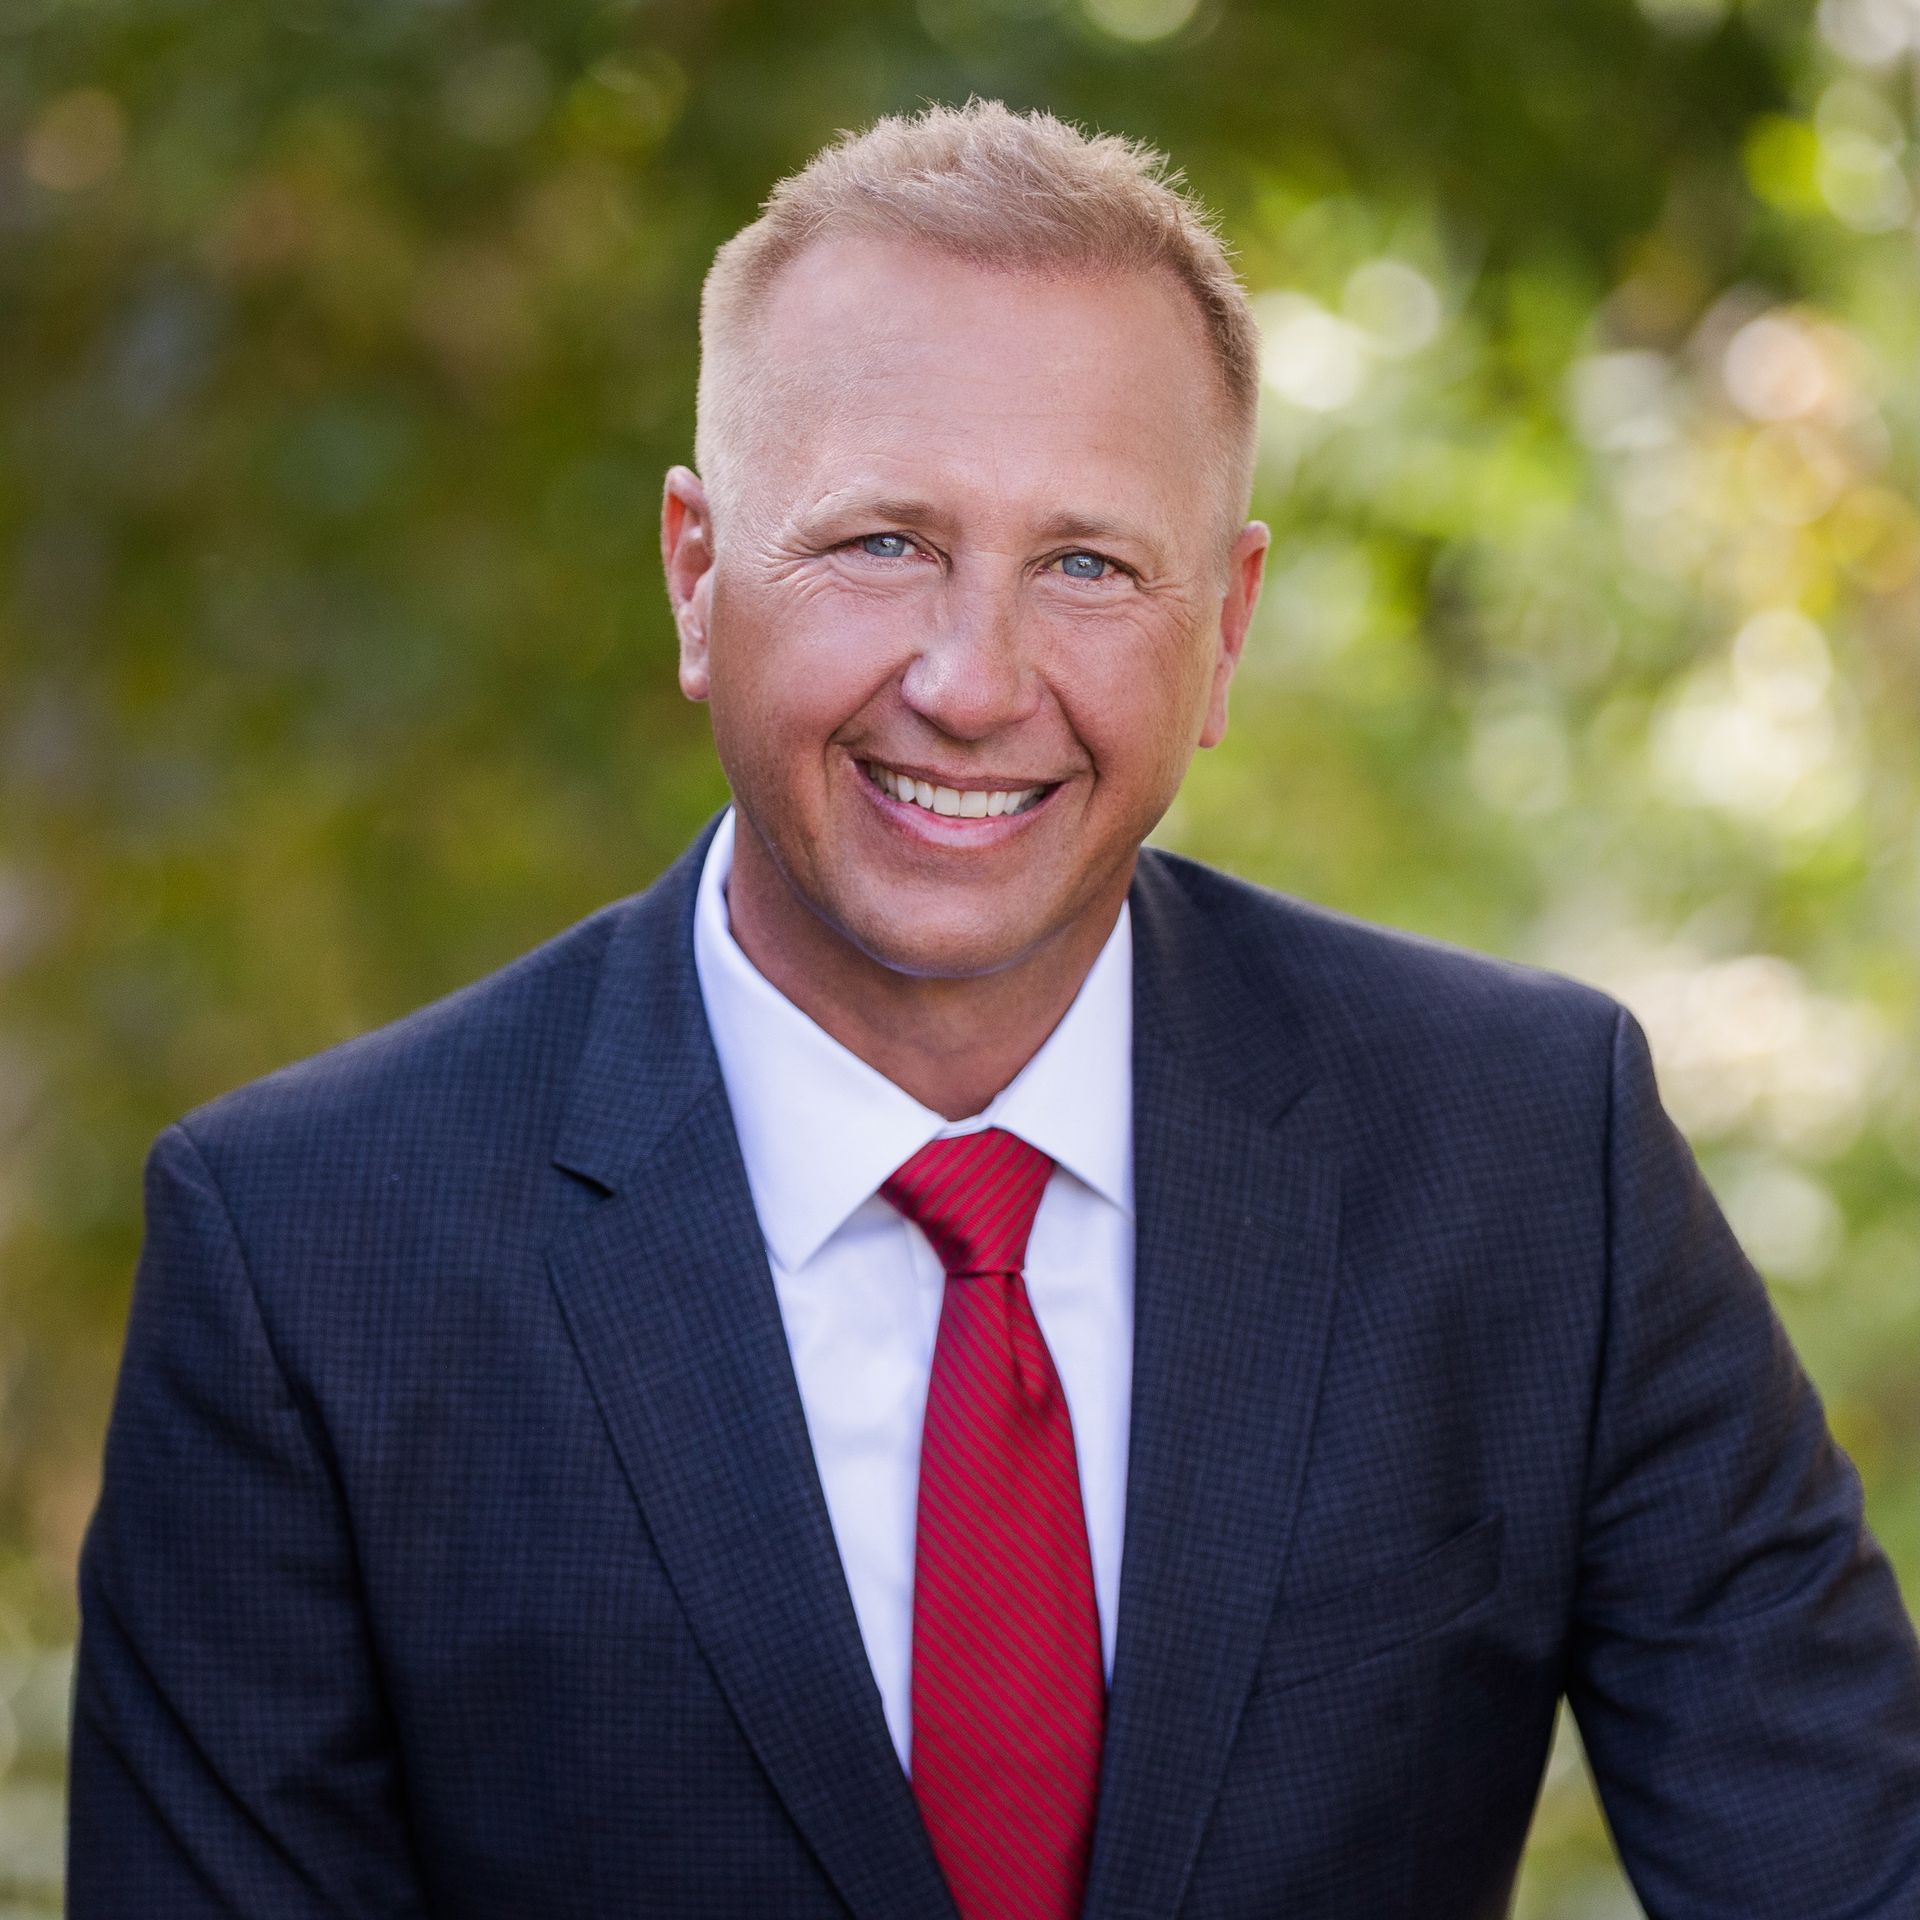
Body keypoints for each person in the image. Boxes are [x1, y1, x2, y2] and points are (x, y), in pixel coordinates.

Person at [68, 99, 1920, 1920]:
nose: (973, 683)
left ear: (1227, 626)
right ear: (698, 576)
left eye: (1088, 565)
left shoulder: (1530, 1162)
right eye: (882, 542)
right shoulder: (306, 1256)